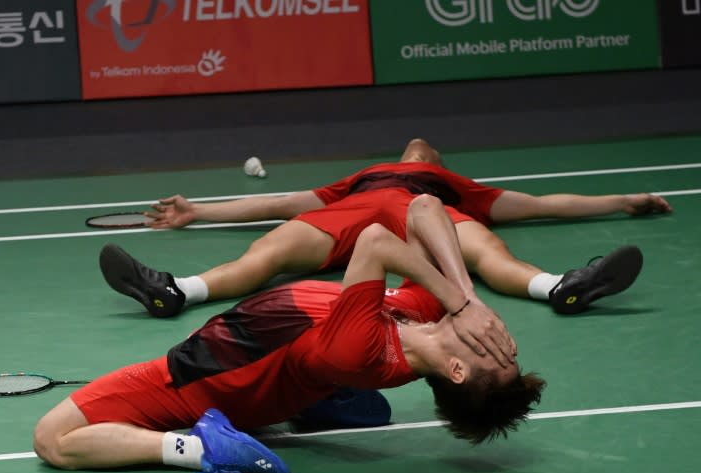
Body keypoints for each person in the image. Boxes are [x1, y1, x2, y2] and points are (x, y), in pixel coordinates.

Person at [34, 195, 545, 473]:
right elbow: (425, 208)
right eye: (507, 344)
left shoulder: (364, 348)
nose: (498, 335)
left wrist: (462, 302)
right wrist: (466, 297)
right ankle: (305, 408)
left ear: (456, 371)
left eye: (494, 352)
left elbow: (375, 241)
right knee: (345, 398)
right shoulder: (421, 311)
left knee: (53, 439)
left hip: (203, 377)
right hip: (265, 371)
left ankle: (203, 448)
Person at [100, 138, 671, 319]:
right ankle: (176, 291)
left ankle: (562, 287)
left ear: (436, 162)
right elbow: (277, 202)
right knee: (267, 252)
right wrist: (196, 211)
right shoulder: (361, 175)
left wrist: (624, 200)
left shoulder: (456, 185)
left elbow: (545, 203)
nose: (419, 142)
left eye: (429, 148)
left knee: (489, 253)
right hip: (348, 214)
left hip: (426, 211)